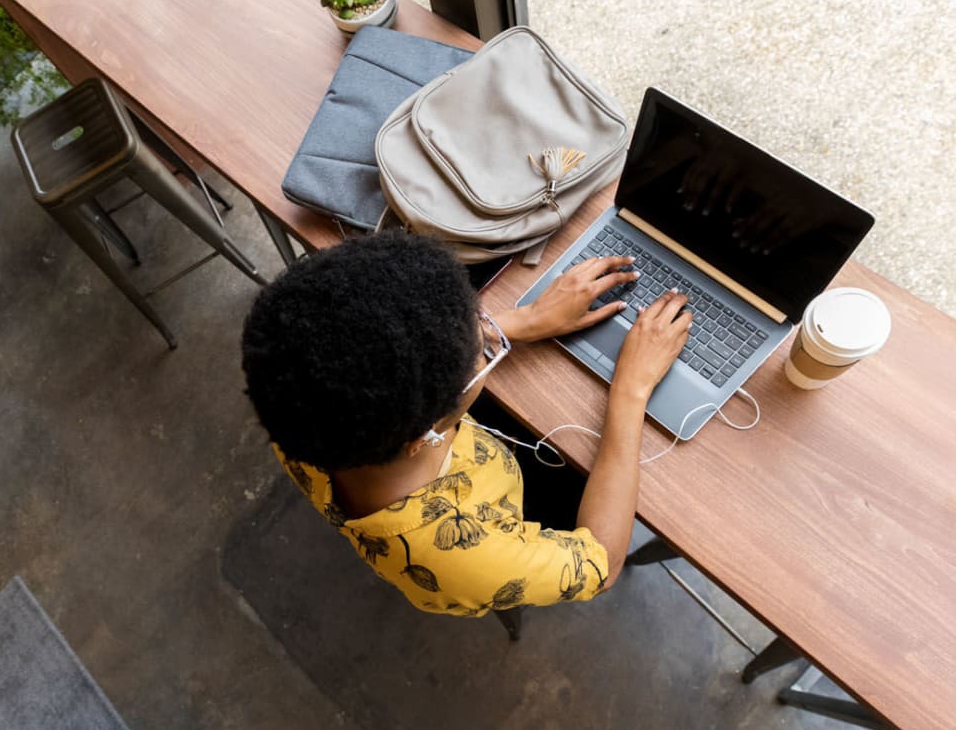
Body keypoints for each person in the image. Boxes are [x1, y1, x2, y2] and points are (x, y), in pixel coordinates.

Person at [241, 230, 690, 618]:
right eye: (485, 352)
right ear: (423, 437)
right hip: (513, 505)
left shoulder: (301, 403)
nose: (490, 336)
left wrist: (526, 320)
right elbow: (602, 565)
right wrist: (630, 390)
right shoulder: (464, 556)